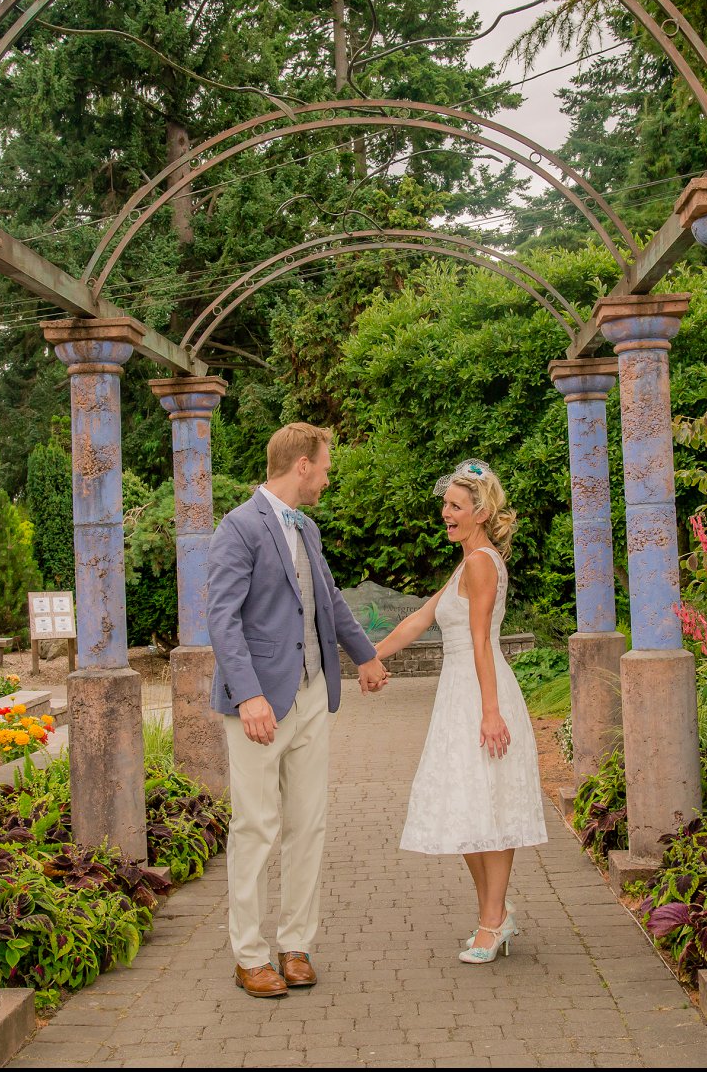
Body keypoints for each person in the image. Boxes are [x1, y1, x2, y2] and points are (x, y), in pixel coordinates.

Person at [207, 422, 391, 998]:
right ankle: (249, 955)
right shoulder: (237, 527)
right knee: (257, 827)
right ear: (302, 464)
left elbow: (328, 601)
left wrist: (365, 657)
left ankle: (295, 945)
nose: (329, 475)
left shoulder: (306, 528)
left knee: (307, 824)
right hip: (259, 704)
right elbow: (223, 619)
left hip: (313, 696)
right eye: (326, 464)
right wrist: (249, 694)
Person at [372, 459, 547, 963]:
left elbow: (480, 642)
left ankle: (492, 922)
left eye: (454, 506)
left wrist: (490, 713)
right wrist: (371, 657)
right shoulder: (465, 561)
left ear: (481, 511)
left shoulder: (481, 562)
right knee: (465, 807)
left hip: (479, 693)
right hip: (457, 695)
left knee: (489, 805)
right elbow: (419, 621)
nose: (445, 513)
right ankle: (494, 915)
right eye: (445, 505)